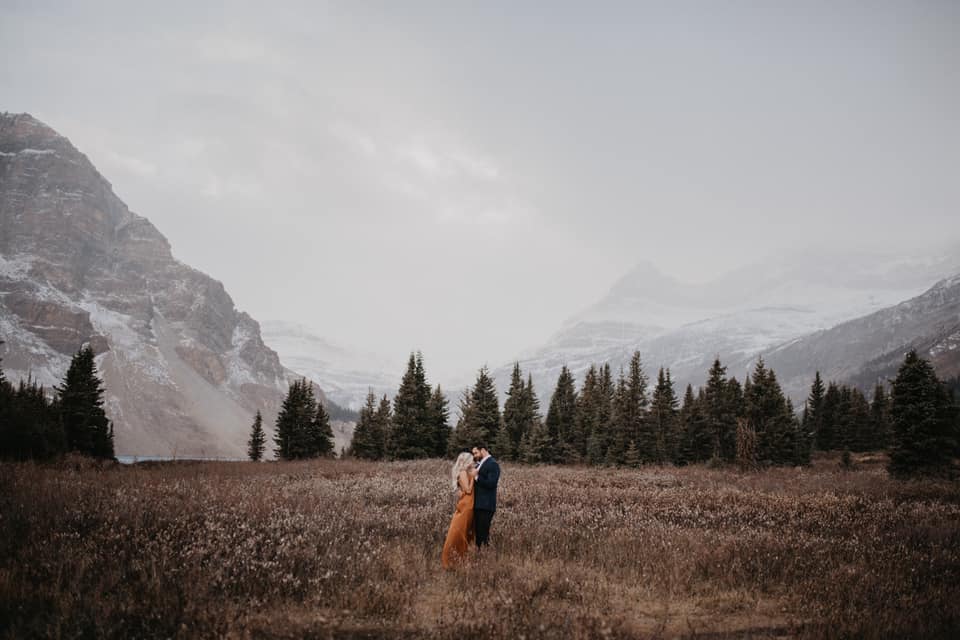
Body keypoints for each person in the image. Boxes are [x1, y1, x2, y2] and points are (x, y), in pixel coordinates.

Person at [441, 451, 476, 569]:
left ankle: (461, 559)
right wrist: (473, 478)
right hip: (467, 504)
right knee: (460, 531)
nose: (473, 462)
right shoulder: (462, 472)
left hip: (469, 503)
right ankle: (452, 559)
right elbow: (468, 490)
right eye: (471, 460)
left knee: (466, 532)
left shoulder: (465, 472)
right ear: (466, 461)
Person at [470, 444, 500, 551]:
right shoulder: (480, 464)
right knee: (478, 533)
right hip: (478, 504)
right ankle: (480, 556)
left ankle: (485, 558)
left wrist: (476, 477)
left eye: (475, 453)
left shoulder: (493, 464)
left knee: (483, 534)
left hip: (486, 505)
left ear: (483, 450)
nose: (474, 455)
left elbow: (492, 483)